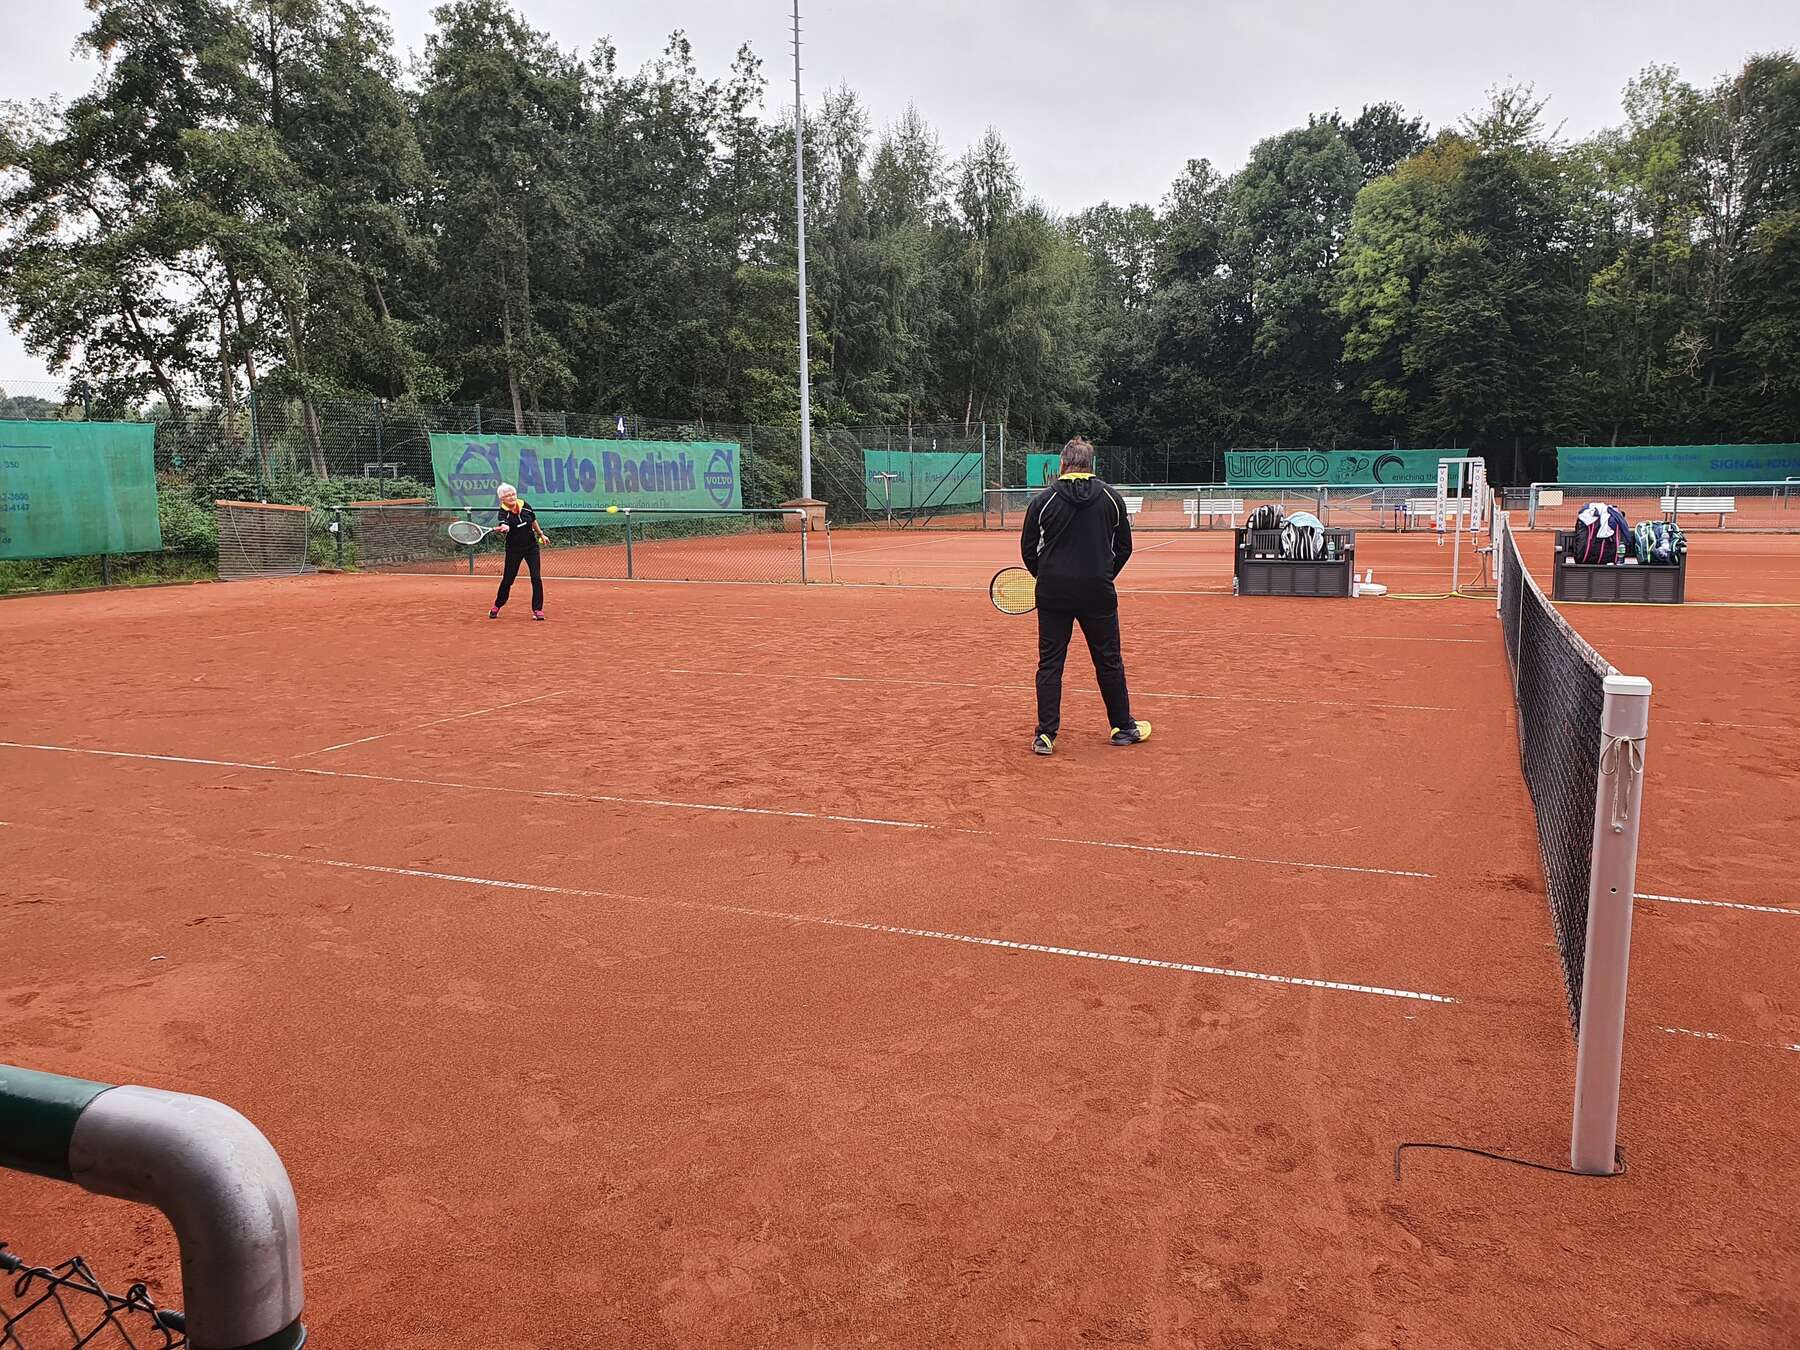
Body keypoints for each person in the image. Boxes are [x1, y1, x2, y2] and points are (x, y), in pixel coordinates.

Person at [1019, 438, 1151, 756]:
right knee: (1109, 660)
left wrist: (1047, 576)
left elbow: (1028, 549)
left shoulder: (1043, 500)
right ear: (1091, 464)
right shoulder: (1111, 497)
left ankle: (1045, 735)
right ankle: (1123, 728)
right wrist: (1103, 575)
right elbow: (1124, 547)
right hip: (1098, 593)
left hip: (1053, 594)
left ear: (1063, 463)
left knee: (1050, 663)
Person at [488, 482, 548, 620]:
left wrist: (541, 534)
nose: (511, 497)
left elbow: (533, 521)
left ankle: (537, 609)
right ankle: (497, 605)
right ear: (502, 499)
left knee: (536, 577)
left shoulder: (525, 506)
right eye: (507, 495)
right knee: (508, 580)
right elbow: (504, 523)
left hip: (531, 548)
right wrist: (504, 527)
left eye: (513, 494)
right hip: (514, 550)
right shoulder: (503, 512)